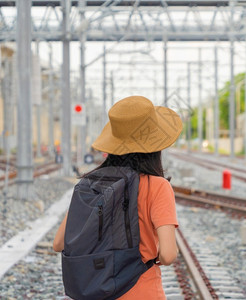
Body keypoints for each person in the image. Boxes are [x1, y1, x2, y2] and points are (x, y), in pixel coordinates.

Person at [53, 95, 183, 299]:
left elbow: (58, 244)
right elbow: (168, 254)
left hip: (94, 290)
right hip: (142, 291)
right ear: (154, 144)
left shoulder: (90, 184)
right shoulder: (157, 186)